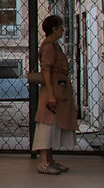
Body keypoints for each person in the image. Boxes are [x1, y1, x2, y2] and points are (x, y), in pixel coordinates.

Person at [32, 14, 77, 174]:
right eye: (60, 27)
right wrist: (51, 94)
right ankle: (44, 162)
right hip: (52, 90)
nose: (63, 30)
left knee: (53, 124)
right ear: (54, 28)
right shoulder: (49, 46)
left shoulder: (53, 45)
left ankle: (49, 160)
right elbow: (46, 70)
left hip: (57, 88)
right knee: (47, 124)